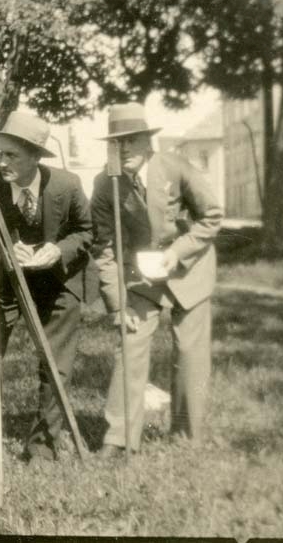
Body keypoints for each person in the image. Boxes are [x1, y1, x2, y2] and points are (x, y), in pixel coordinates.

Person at [0, 111, 93, 462]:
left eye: (11, 155)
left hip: (57, 283)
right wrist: (1, 250)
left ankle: (43, 447)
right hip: (5, 283)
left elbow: (87, 232)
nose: (1, 162)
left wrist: (57, 250)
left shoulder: (66, 185)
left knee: (55, 364)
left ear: (36, 156)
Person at [91, 103, 222, 457]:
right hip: (142, 278)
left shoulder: (176, 168)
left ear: (148, 143)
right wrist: (117, 302)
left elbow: (211, 216)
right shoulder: (105, 184)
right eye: (117, 144)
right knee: (129, 342)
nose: (125, 150)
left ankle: (186, 436)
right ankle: (118, 438)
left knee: (190, 352)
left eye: (132, 141)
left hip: (188, 270)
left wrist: (178, 251)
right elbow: (102, 248)